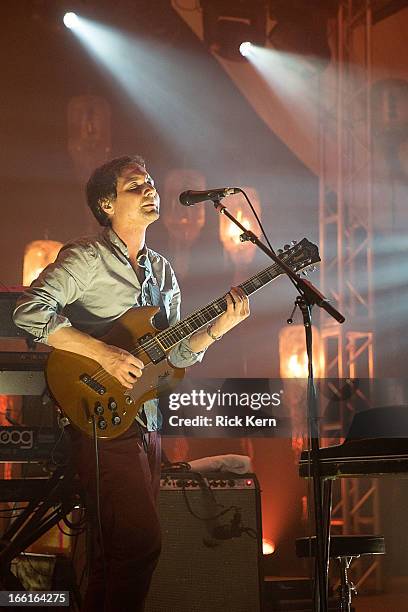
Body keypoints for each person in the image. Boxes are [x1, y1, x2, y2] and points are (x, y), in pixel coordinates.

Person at [13, 155, 250, 612]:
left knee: (114, 555)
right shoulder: (86, 258)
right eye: (135, 185)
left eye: (151, 183)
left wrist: (220, 327)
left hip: (146, 419)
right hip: (98, 418)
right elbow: (30, 312)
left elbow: (173, 353)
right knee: (141, 544)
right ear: (107, 203)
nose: (150, 190)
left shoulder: (162, 272)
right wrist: (104, 353)